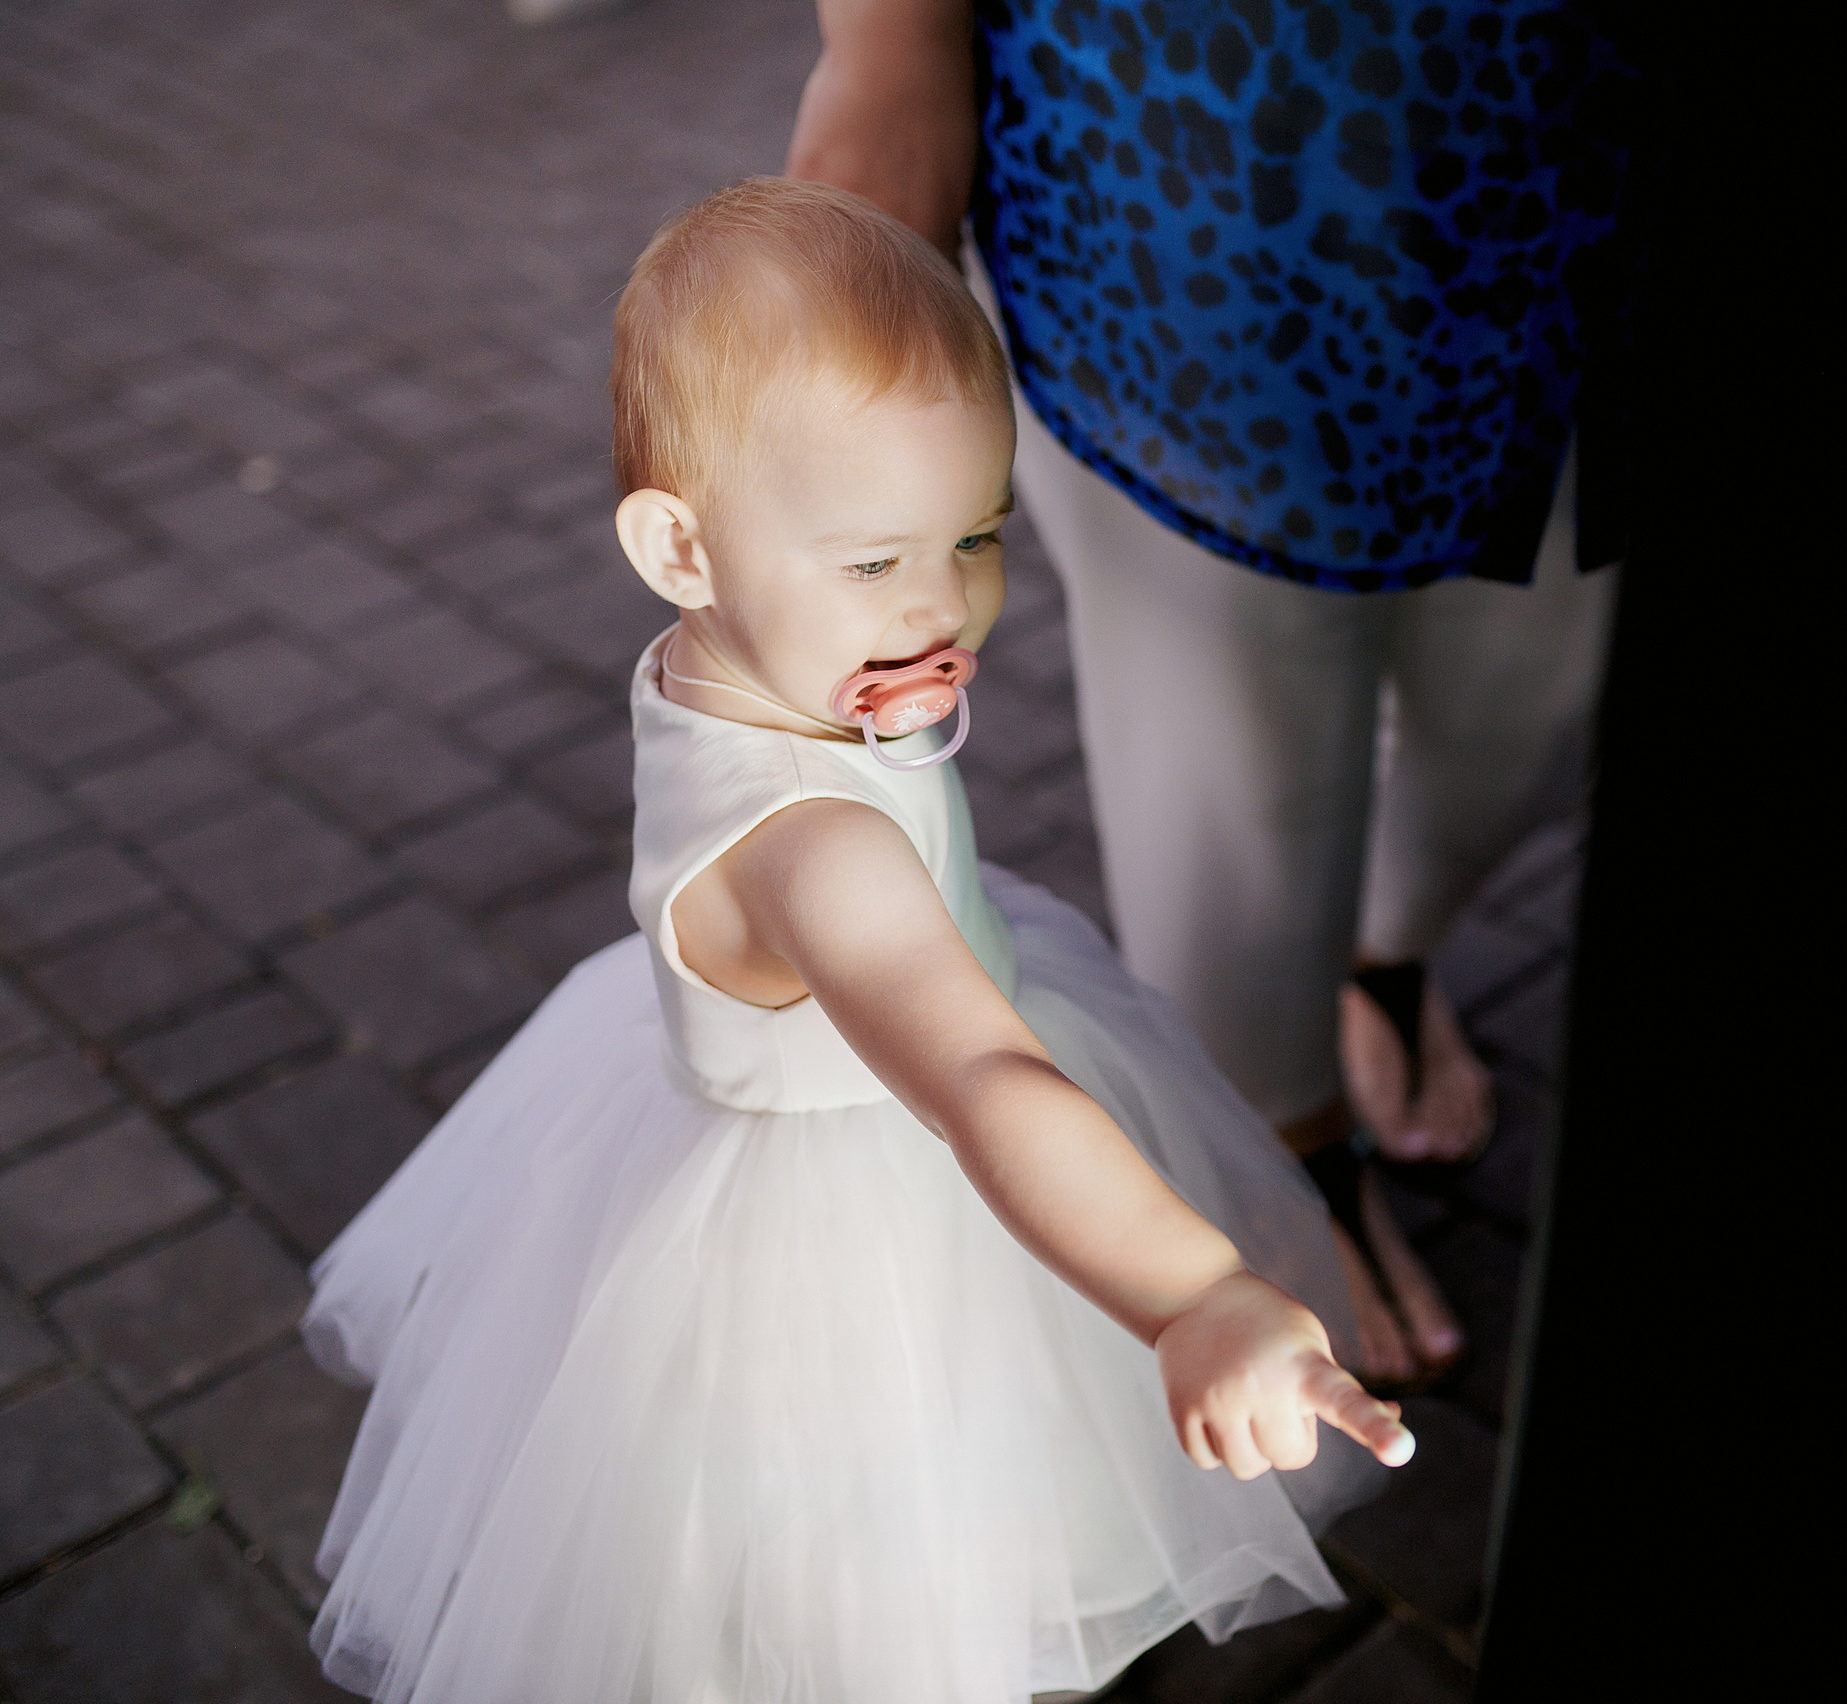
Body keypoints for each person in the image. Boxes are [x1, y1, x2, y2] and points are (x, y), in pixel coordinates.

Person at [300, 177, 1409, 1704]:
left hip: (879, 1122)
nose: (945, 603)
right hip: (859, 1237)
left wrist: (857, 592)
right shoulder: (815, 854)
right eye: (876, 561)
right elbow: (986, 1080)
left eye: (976, 532)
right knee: (871, 1583)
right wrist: (1192, 1291)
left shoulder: (750, 655)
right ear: (679, 551)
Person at [788, 0, 1627, 1384]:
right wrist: (889, 65)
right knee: (1234, 779)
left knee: (1538, 718)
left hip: (1585, 216)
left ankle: (1384, 948)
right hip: (1191, 208)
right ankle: (1280, 1147)